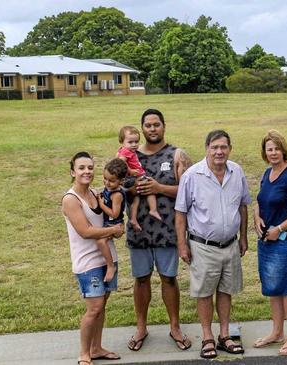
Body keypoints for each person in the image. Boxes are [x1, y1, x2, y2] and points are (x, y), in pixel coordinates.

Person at [175, 130, 252, 359]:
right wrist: (182, 244)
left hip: (230, 244)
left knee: (226, 290)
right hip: (202, 245)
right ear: (207, 148)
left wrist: (244, 237)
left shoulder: (236, 171)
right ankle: (208, 337)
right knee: (205, 292)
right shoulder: (192, 175)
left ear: (230, 149)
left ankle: (225, 335)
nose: (219, 151)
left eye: (223, 147)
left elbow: (243, 206)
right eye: (215, 147)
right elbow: (180, 212)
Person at [125, 109, 192, 352]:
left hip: (167, 230)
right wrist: (134, 189)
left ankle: (175, 327)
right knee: (141, 279)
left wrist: (159, 187)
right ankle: (141, 327)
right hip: (139, 228)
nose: (152, 129)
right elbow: (119, 188)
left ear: (164, 126)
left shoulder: (176, 155)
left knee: (169, 278)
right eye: (148, 125)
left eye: (156, 125)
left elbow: (188, 192)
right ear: (142, 128)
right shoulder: (130, 156)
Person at [61, 152, 125, 365]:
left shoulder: (96, 193)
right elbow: (86, 231)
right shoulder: (71, 199)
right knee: (94, 308)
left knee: (102, 306)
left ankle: (96, 348)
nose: (86, 171)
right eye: (81, 168)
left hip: (107, 258)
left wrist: (117, 229)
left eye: (89, 167)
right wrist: (113, 229)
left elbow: (109, 221)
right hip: (87, 263)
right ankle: (84, 353)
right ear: (73, 172)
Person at [252, 129, 287, 356]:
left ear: (283, 149)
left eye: (277, 148)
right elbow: (260, 201)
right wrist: (257, 217)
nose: (273, 153)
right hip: (267, 242)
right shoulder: (268, 173)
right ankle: (276, 332)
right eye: (269, 149)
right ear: (264, 153)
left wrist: (279, 229)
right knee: (273, 290)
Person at [116, 126, 161, 231]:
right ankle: (153, 209)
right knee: (150, 186)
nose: (134, 144)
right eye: (130, 142)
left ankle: (133, 219)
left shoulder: (127, 150)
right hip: (132, 178)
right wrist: (130, 171)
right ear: (122, 142)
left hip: (132, 178)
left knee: (136, 199)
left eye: (136, 142)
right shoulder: (126, 151)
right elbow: (121, 162)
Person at [96, 158, 128, 283]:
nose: (107, 183)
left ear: (121, 181)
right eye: (105, 178)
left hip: (114, 223)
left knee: (101, 242)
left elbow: (114, 214)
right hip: (108, 223)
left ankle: (110, 266)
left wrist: (101, 204)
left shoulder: (117, 195)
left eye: (111, 181)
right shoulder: (109, 189)